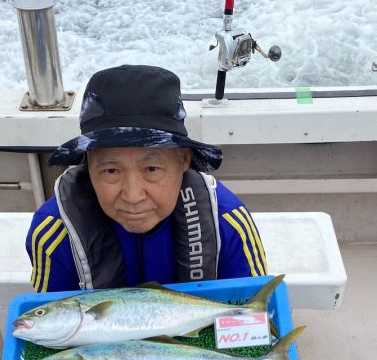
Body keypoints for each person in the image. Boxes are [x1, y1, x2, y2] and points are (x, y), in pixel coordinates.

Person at [26, 64, 267, 292]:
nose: (133, 196)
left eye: (151, 169)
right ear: (88, 166)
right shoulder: (54, 233)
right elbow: (52, 316)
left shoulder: (227, 223)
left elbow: (254, 312)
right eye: (111, 171)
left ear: (184, 159)